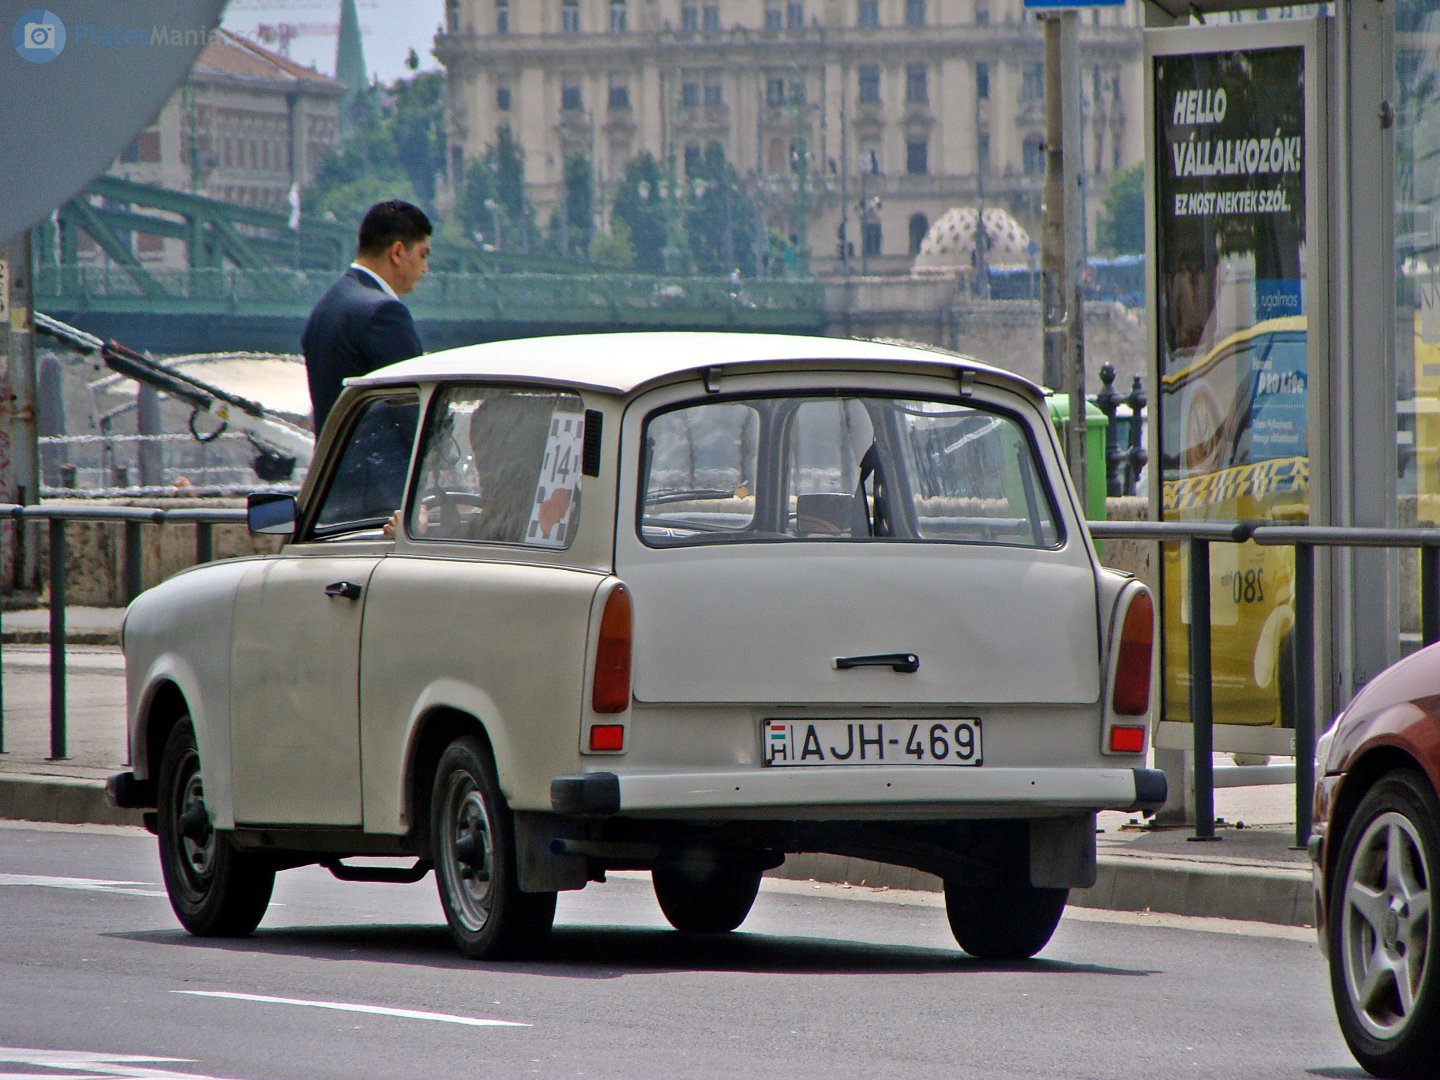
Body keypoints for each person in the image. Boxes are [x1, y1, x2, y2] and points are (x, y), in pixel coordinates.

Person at [302, 199, 432, 431]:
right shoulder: (386, 314)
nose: (425, 268)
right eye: (423, 255)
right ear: (398, 252)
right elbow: (412, 418)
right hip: (379, 466)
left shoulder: (324, 307)